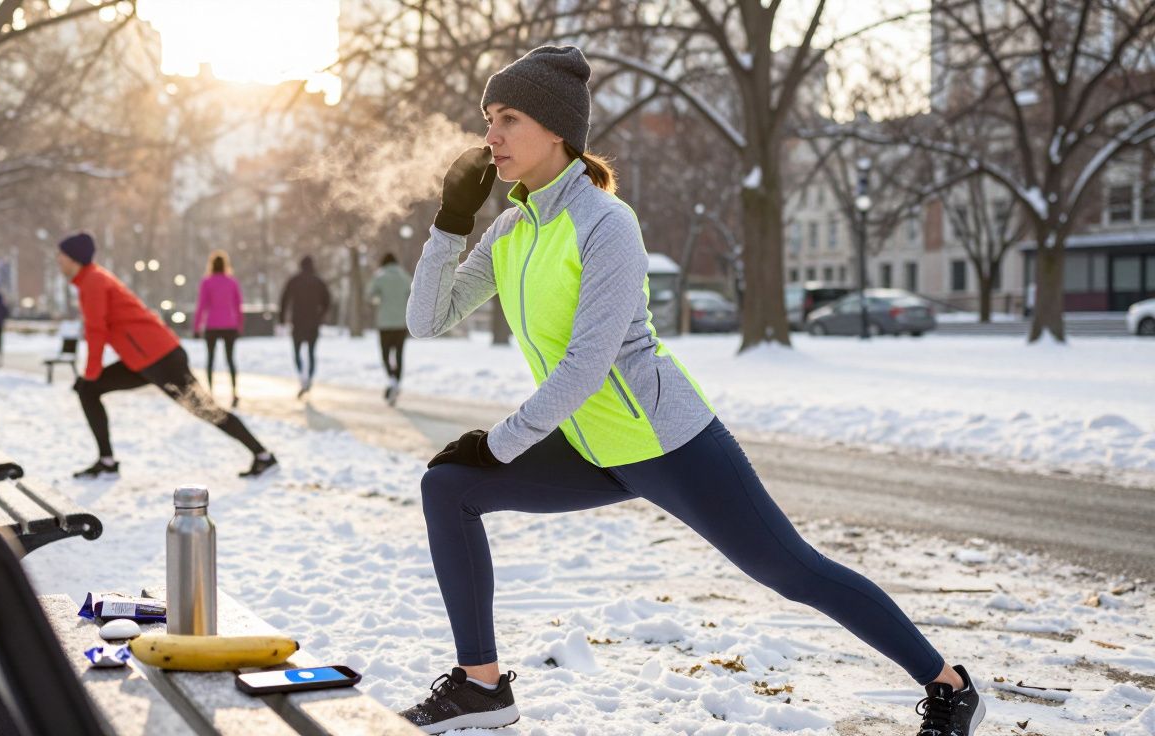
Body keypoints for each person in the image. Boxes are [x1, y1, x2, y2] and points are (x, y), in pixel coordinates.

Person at [397, 46, 983, 736]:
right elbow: (426, 320)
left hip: (665, 440)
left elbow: (588, 362)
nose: (490, 135)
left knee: (793, 571)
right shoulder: (512, 229)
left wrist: (500, 444)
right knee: (450, 489)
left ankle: (950, 685)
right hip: (591, 446)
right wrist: (449, 221)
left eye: (508, 118)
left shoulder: (605, 224)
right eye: (488, 118)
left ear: (557, 129)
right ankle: (481, 686)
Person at [55, 232, 277, 479]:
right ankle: (107, 461)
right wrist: (90, 378)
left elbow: (96, 330)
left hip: (161, 358)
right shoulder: (92, 279)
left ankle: (262, 455)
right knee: (88, 390)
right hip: (141, 360)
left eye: (62, 255)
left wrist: (91, 373)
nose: (58, 260)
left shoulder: (93, 282)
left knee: (205, 409)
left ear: (74, 258)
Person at [194, 249, 244, 408]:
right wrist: (239, 325)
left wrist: (197, 326)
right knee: (230, 360)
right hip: (230, 325)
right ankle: (234, 392)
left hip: (212, 325)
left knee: (210, 360)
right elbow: (238, 305)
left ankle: (210, 392)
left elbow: (201, 306)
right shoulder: (232, 282)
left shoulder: (207, 282)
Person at [278, 255, 330, 399]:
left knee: (297, 352)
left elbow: (284, 299)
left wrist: (282, 319)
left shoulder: (294, 280)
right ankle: (309, 378)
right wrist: (321, 315)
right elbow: (327, 300)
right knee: (311, 353)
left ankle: (302, 376)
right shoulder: (318, 281)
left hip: (298, 322)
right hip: (313, 322)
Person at [366, 252, 412, 405]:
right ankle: (396, 383)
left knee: (385, 354)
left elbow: (370, 296)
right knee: (399, 354)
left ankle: (392, 379)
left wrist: (377, 300)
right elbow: (412, 295)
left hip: (385, 323)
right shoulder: (404, 276)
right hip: (401, 323)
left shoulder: (380, 276)